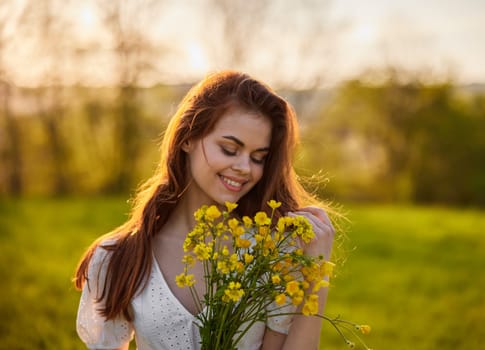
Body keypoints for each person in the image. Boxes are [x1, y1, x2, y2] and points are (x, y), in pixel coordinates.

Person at [74, 70, 335, 350]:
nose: (245, 168)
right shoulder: (118, 258)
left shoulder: (270, 255)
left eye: (258, 157)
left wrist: (316, 275)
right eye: (229, 149)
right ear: (188, 138)